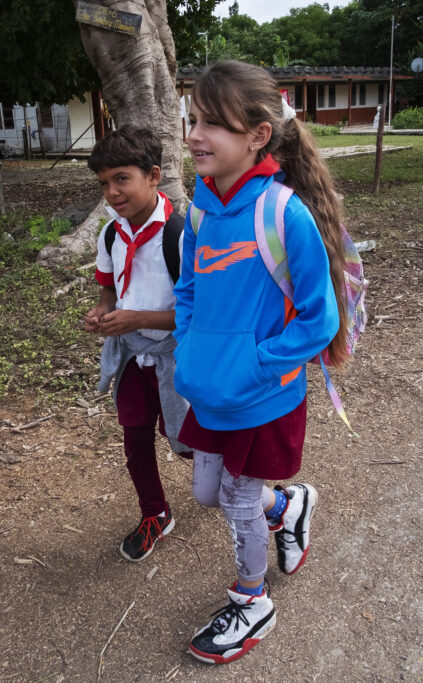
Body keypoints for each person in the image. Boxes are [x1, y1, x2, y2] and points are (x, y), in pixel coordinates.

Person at [173, 61, 350, 664]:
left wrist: (256, 363)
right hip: (211, 387)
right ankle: (290, 504)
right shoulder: (199, 209)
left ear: (256, 136)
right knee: (206, 493)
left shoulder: (283, 214)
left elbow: (319, 321)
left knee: (238, 499)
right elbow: (189, 286)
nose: (195, 135)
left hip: (261, 395)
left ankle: (252, 602)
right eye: (192, 119)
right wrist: (190, 344)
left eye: (212, 124)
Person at [84, 127, 191, 563]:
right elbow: (109, 290)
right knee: (135, 439)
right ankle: (155, 512)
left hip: (176, 359)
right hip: (131, 356)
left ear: (153, 175)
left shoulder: (181, 236)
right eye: (104, 183)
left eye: (121, 179)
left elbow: (198, 316)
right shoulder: (111, 235)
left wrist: (139, 318)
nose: (112, 192)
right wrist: (103, 312)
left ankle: (245, 497)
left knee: (189, 443)